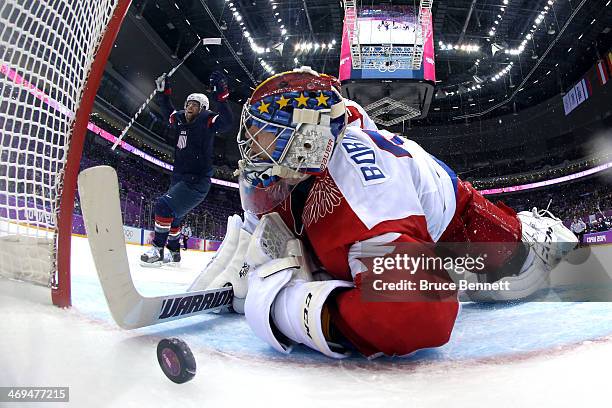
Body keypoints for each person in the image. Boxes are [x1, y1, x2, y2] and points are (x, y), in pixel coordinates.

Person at [191, 67, 577, 359]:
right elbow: (351, 113)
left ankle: (535, 232)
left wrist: (284, 306)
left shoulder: (362, 197)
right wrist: (250, 248)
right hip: (400, 207)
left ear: (307, 139)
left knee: (516, 277)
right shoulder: (305, 156)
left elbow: (416, 313)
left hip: (457, 222)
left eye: (266, 134)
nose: (252, 146)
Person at [140, 71, 233, 267]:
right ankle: (174, 253)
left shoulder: (207, 120)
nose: (190, 106)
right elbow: (167, 111)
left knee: (163, 206)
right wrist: (162, 93)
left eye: (195, 104)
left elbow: (226, 123)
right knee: (175, 217)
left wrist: (221, 97)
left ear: (203, 108)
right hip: (180, 177)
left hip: (197, 181)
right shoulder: (181, 118)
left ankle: (157, 249)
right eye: (188, 103)